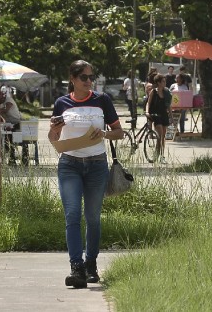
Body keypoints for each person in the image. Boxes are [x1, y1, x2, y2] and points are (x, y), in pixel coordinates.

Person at [48, 60, 124, 289]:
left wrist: (105, 134)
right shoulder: (62, 103)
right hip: (69, 164)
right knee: (72, 215)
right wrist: (55, 130)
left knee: (92, 217)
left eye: (91, 77)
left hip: (97, 165)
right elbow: (53, 139)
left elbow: (119, 132)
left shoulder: (102, 101)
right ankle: (76, 267)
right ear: (73, 79)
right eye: (84, 77)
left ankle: (91, 264)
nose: (89, 81)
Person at [146, 74, 171, 162]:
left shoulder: (166, 92)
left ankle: (161, 156)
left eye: (165, 81)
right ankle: (157, 154)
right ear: (158, 83)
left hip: (164, 114)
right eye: (163, 81)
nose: (165, 83)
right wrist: (147, 112)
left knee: (163, 136)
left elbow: (168, 106)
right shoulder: (154, 92)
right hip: (155, 115)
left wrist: (171, 116)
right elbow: (148, 103)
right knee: (159, 134)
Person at [0, 85, 25, 164]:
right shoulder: (0, 103)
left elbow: (5, 110)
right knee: (3, 136)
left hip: (17, 123)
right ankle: (6, 156)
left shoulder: (9, 100)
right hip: (8, 124)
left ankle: (12, 157)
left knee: (11, 137)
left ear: (3, 95)